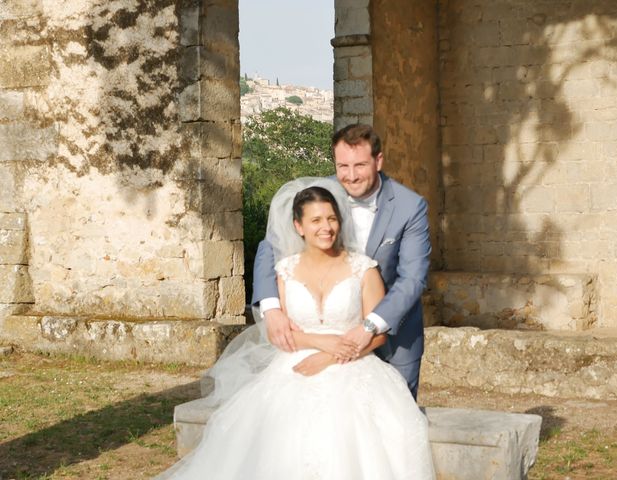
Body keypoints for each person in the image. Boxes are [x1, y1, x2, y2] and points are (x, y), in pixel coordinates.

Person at [155, 180, 434, 479]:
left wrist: (329, 357)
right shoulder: (284, 271)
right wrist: (322, 342)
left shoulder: (364, 268)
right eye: (315, 220)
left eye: (331, 218)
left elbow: (378, 332)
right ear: (298, 226)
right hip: (293, 365)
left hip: (355, 366)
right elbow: (281, 334)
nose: (325, 227)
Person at [253, 124, 431, 398]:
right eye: (342, 166)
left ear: (378, 161)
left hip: (393, 336)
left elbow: (412, 279)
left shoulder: (410, 206)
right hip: (318, 344)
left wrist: (369, 327)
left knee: (394, 427)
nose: (350, 176)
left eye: (359, 165)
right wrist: (272, 309)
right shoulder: (318, 193)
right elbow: (270, 247)